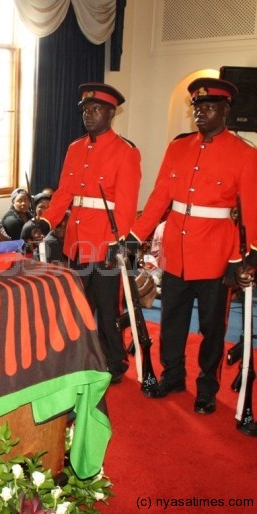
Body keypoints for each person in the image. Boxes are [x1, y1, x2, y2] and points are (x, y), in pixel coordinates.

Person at [125, 77, 257, 414]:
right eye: (197, 107)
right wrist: (136, 235)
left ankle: (207, 388)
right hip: (176, 252)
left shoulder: (243, 154)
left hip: (217, 254)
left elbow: (253, 209)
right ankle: (173, 375)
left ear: (226, 110)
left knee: (213, 326)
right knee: (172, 319)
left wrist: (249, 255)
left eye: (209, 107)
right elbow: (159, 198)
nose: (200, 113)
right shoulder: (178, 148)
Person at [40, 83, 141, 385]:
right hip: (77, 240)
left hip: (105, 242)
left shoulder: (126, 152)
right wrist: (46, 223)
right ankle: (81, 358)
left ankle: (115, 362)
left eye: (95, 109)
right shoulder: (75, 148)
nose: (88, 114)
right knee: (77, 305)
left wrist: (117, 242)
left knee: (108, 308)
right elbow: (63, 195)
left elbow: (126, 204)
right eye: (85, 109)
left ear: (111, 112)